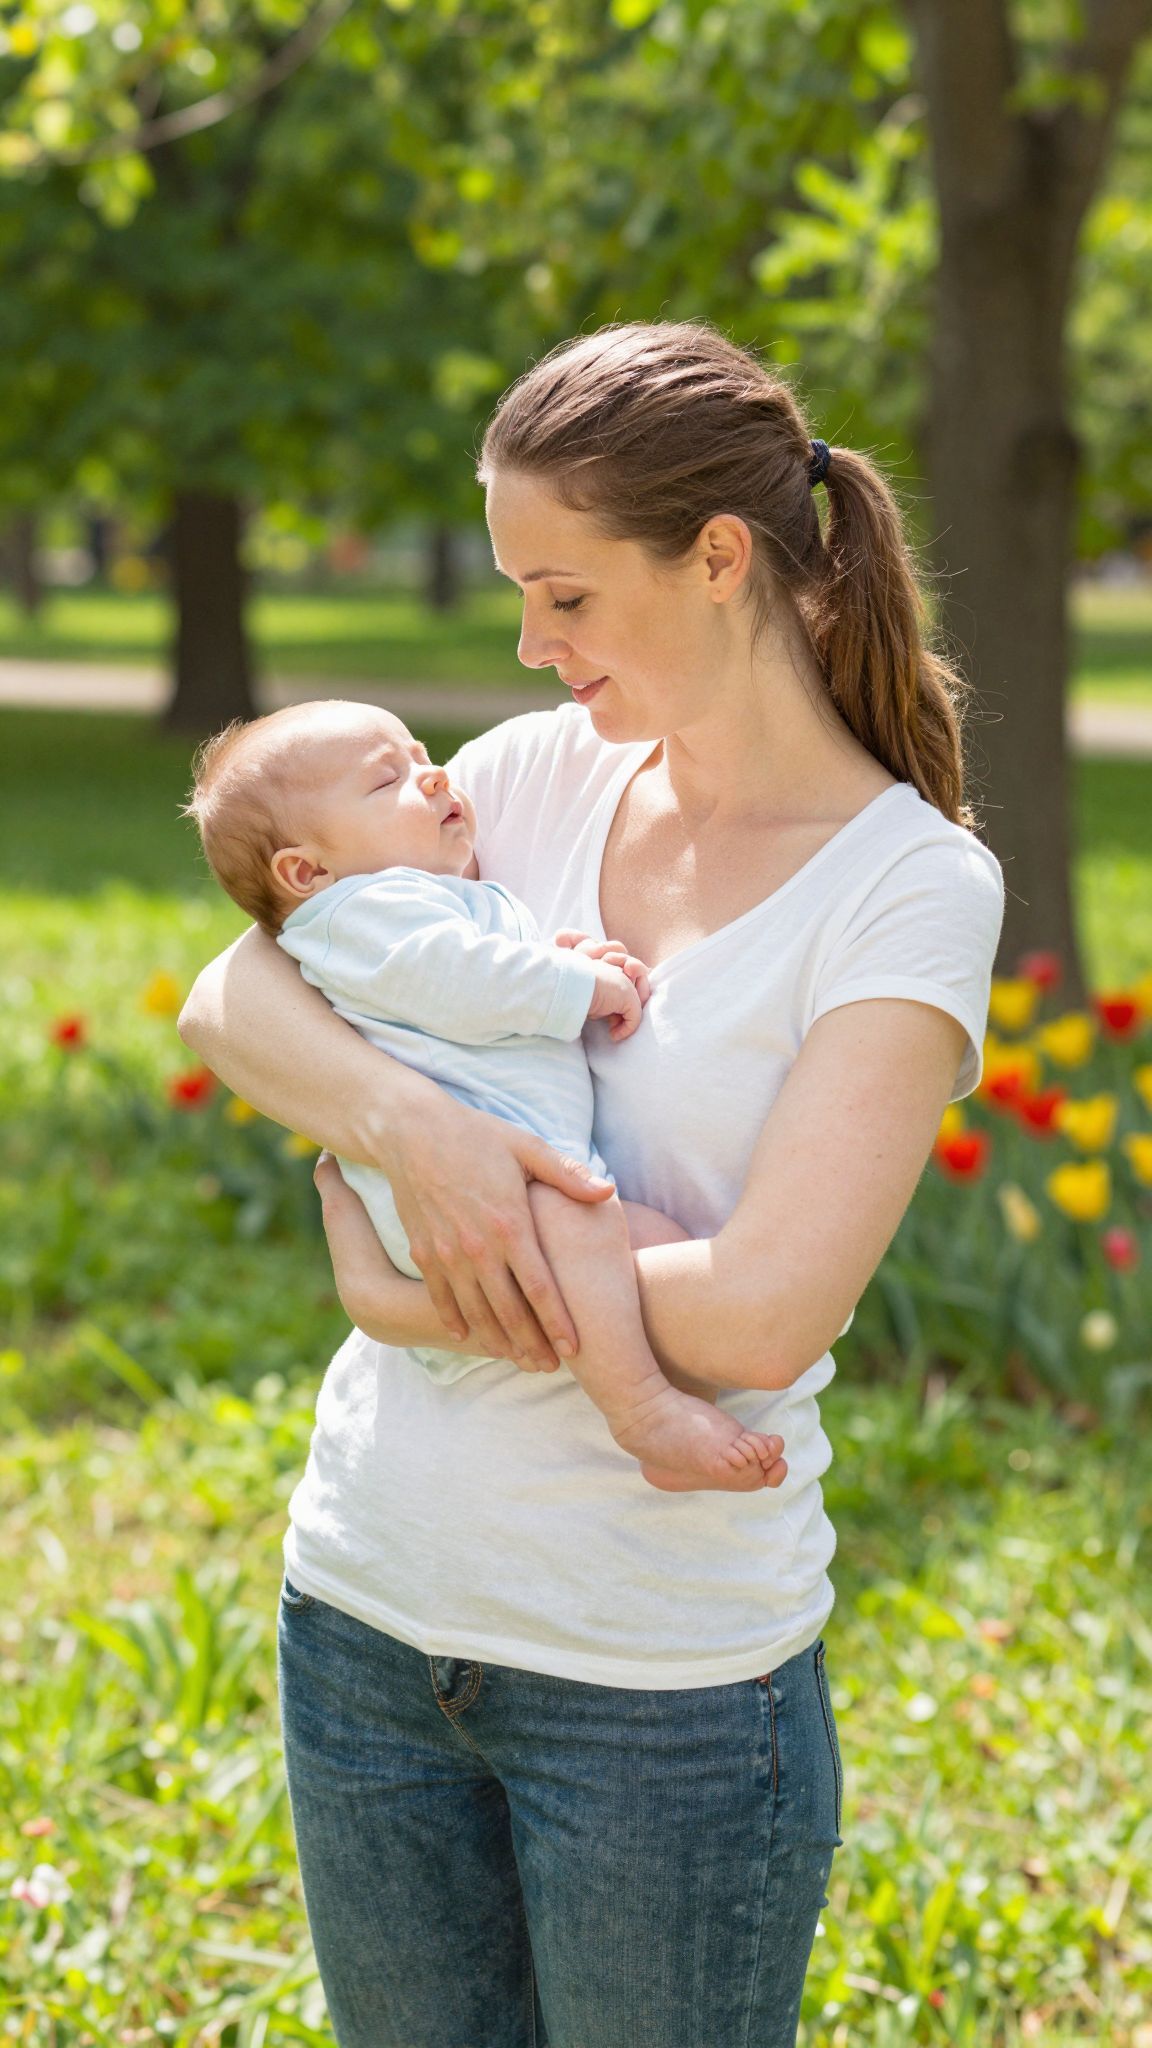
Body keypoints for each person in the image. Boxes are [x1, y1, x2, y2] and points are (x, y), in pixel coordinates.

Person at [178, 318, 1006, 2048]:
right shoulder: (530, 781)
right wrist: (423, 1137)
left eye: (563, 595)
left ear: (716, 559)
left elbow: (772, 1303)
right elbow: (237, 988)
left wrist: (406, 1292)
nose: (528, 644)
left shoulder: (906, 886)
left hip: (657, 1690)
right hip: (369, 1619)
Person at [181, 697, 791, 1492]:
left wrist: (560, 951)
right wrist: (577, 983)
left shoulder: (431, 897)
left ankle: (686, 1416)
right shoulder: (361, 913)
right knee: (586, 1222)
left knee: (651, 1239)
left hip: (512, 1172)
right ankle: (642, 1410)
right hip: (464, 1195)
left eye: (422, 751)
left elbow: (487, 964)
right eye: (387, 779)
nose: (434, 775)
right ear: (307, 871)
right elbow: (459, 982)